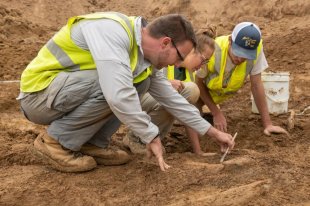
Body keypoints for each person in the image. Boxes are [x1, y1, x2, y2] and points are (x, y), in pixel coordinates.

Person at [17, 12, 235, 173]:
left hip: (62, 93)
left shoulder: (146, 59)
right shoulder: (113, 32)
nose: (179, 64)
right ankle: (55, 142)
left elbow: (173, 101)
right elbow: (118, 95)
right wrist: (151, 135)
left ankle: (90, 143)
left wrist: (213, 133)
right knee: (117, 84)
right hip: (39, 94)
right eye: (179, 56)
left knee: (138, 84)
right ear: (165, 43)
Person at [187, 22, 288, 154]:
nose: (240, 58)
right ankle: (197, 152)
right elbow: (198, 83)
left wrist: (268, 124)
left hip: (217, 94)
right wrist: (216, 112)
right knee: (193, 109)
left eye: (245, 55)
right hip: (196, 91)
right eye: (238, 52)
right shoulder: (213, 49)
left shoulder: (256, 50)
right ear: (230, 41)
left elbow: (256, 84)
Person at [123, 27, 217, 156]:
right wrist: (167, 84)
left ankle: (152, 138)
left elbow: (187, 112)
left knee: (188, 92)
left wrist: (198, 151)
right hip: (133, 102)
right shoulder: (164, 58)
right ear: (193, 50)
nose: (203, 65)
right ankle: (136, 138)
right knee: (183, 93)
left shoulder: (189, 74)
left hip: (148, 103)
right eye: (203, 59)